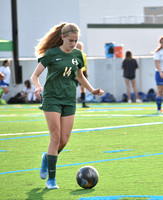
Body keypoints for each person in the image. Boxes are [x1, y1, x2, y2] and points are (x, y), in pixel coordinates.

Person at [31, 22, 104, 190]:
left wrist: (92, 90)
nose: (73, 44)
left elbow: (80, 76)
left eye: (76, 40)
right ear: (62, 37)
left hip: (69, 100)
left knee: (64, 140)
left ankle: (46, 158)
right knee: (55, 138)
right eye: (70, 40)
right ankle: (51, 179)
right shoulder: (51, 54)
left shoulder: (78, 55)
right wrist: (37, 86)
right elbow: (34, 75)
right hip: (52, 99)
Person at [76, 42, 89, 108]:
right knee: (73, 87)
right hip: (75, 71)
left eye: (80, 46)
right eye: (78, 46)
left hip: (82, 71)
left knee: (83, 88)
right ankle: (72, 102)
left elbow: (85, 65)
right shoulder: (73, 54)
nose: (79, 47)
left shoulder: (84, 55)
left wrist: (86, 74)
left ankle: (83, 103)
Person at [154, 36, 163, 113]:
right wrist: (161, 72)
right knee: (160, 91)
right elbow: (156, 64)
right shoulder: (158, 52)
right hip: (160, 73)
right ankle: (159, 108)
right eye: (162, 42)